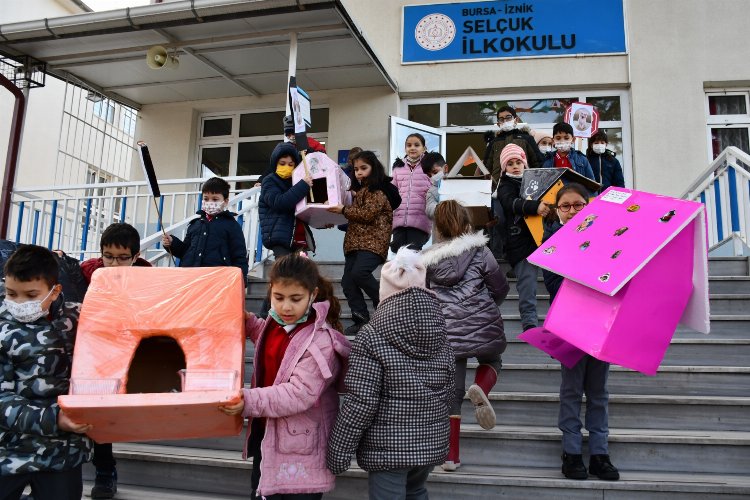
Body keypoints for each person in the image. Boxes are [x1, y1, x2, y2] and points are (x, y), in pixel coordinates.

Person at [327, 248, 455, 500]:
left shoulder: (372, 335)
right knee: (416, 491)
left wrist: (338, 451)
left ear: (385, 291)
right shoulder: (441, 333)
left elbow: (361, 401)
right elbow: (449, 390)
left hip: (389, 447)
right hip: (430, 442)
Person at [219, 253, 350, 499]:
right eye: (278, 298)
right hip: (268, 435)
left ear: (313, 295)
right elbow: (278, 349)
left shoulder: (320, 340)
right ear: (270, 291)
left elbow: (299, 394)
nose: (286, 307)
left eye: (295, 299)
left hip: (300, 446)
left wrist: (248, 400)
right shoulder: (276, 324)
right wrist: (251, 324)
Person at [421, 200, 509, 472]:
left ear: (438, 229)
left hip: (447, 330)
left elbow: (424, 295)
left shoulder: (427, 260)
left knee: (453, 393)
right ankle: (482, 385)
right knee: (493, 360)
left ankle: (450, 457)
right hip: (482, 322)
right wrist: (486, 304)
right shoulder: (480, 251)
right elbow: (501, 287)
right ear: (466, 225)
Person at [0, 245, 93, 500]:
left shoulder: (80, 319)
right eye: (11, 293)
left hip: (62, 454)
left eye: (30, 295)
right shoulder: (2, 328)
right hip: (7, 451)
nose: (18, 303)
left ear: (55, 291)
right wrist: (55, 420)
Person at [541, 183, 620, 482]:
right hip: (569, 325)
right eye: (566, 206)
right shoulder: (551, 239)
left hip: (602, 324)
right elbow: (552, 285)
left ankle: (600, 454)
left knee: (598, 392)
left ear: (589, 207)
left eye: (579, 205)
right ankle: (571, 452)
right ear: (557, 210)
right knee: (572, 390)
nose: (573, 210)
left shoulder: (607, 237)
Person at [80, 222, 151, 499]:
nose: (113, 264)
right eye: (108, 256)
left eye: (122, 258)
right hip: (92, 354)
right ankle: (101, 469)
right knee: (96, 414)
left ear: (136, 257)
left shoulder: (149, 278)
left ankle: (105, 471)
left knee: (106, 414)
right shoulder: (85, 273)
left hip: (130, 354)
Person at [328, 150, 401, 336]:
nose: (359, 172)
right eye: (356, 169)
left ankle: (387, 307)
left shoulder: (378, 191)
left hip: (373, 243)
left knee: (360, 273)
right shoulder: (360, 192)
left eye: (364, 168)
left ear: (374, 168)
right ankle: (361, 319)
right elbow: (354, 215)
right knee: (348, 282)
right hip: (355, 243)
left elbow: (367, 215)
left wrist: (344, 210)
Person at [496, 144, 550, 331]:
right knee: (527, 285)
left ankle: (555, 322)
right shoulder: (504, 186)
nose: (515, 166)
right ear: (504, 168)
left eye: (518, 162)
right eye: (510, 164)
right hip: (520, 242)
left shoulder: (537, 182)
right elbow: (511, 203)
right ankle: (530, 324)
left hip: (543, 239)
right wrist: (535, 207)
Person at [484, 106, 543, 260]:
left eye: (508, 117)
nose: (505, 121)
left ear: (516, 119)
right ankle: (504, 252)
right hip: (498, 189)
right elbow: (486, 166)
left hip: (523, 188)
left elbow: (538, 162)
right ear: (497, 123)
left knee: (521, 221)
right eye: (501, 119)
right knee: (499, 221)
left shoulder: (526, 138)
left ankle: (523, 254)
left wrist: (536, 184)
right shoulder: (494, 142)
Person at [162, 177, 249, 278]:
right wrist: (172, 243)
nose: (209, 202)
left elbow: (239, 256)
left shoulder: (231, 225)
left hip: (217, 279)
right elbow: (185, 251)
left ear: (225, 201)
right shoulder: (195, 224)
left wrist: (240, 280)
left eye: (215, 199)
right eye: (206, 199)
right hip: (191, 277)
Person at [390, 133, 433, 252]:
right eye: (409, 145)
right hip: (399, 219)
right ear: (405, 148)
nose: (412, 148)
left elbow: (435, 190)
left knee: (413, 252)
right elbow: (393, 192)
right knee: (398, 251)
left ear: (424, 148)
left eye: (416, 145)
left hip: (420, 219)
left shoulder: (429, 166)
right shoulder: (398, 167)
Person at [422, 151, 447, 222]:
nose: (433, 177)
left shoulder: (458, 180)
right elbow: (430, 210)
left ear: (445, 168)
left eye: (435, 172)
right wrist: (446, 209)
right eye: (429, 175)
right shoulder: (431, 192)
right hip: (442, 230)